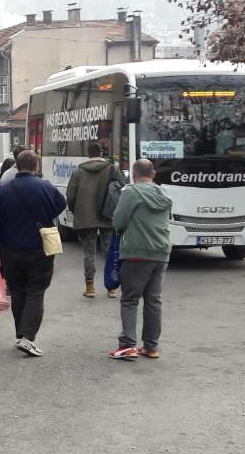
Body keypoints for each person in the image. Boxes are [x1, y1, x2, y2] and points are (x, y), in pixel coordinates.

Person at [0, 151, 68, 357]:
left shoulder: (2, 192)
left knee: (18, 290)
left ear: (17, 166)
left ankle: (21, 333)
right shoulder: (46, 187)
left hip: (9, 249)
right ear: (36, 167)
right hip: (40, 247)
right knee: (36, 290)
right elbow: (61, 204)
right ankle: (27, 337)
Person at [109, 159, 174, 360]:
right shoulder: (164, 193)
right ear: (153, 174)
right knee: (153, 300)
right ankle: (151, 346)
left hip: (137, 252)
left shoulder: (131, 192)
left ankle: (128, 345)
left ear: (133, 174)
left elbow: (118, 221)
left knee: (129, 299)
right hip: (161, 252)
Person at [66, 142, 128, 299]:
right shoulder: (112, 169)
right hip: (108, 216)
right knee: (109, 252)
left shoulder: (78, 172)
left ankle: (90, 287)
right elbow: (122, 190)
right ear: (101, 153)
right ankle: (112, 288)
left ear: (88, 153)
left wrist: (78, 211)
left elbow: (71, 196)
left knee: (89, 253)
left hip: (86, 218)